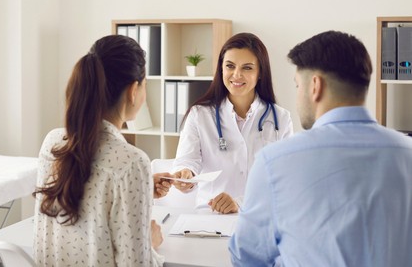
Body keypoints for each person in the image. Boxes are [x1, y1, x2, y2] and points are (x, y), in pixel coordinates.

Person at [229, 30, 412, 266]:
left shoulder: (274, 163)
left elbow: (247, 258)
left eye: (297, 86)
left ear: (315, 86)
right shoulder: (407, 153)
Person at [33, 35, 169, 266]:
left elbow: (87, 213)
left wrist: (141, 188)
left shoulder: (53, 143)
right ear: (133, 90)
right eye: (145, 85)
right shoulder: (131, 162)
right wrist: (150, 244)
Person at [171, 33, 293, 214]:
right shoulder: (199, 114)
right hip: (210, 216)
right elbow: (187, 161)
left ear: (260, 73)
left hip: (259, 215)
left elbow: (284, 179)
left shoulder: (280, 119)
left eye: (247, 68)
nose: (237, 75)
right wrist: (185, 175)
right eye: (230, 66)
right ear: (221, 69)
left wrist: (240, 203)